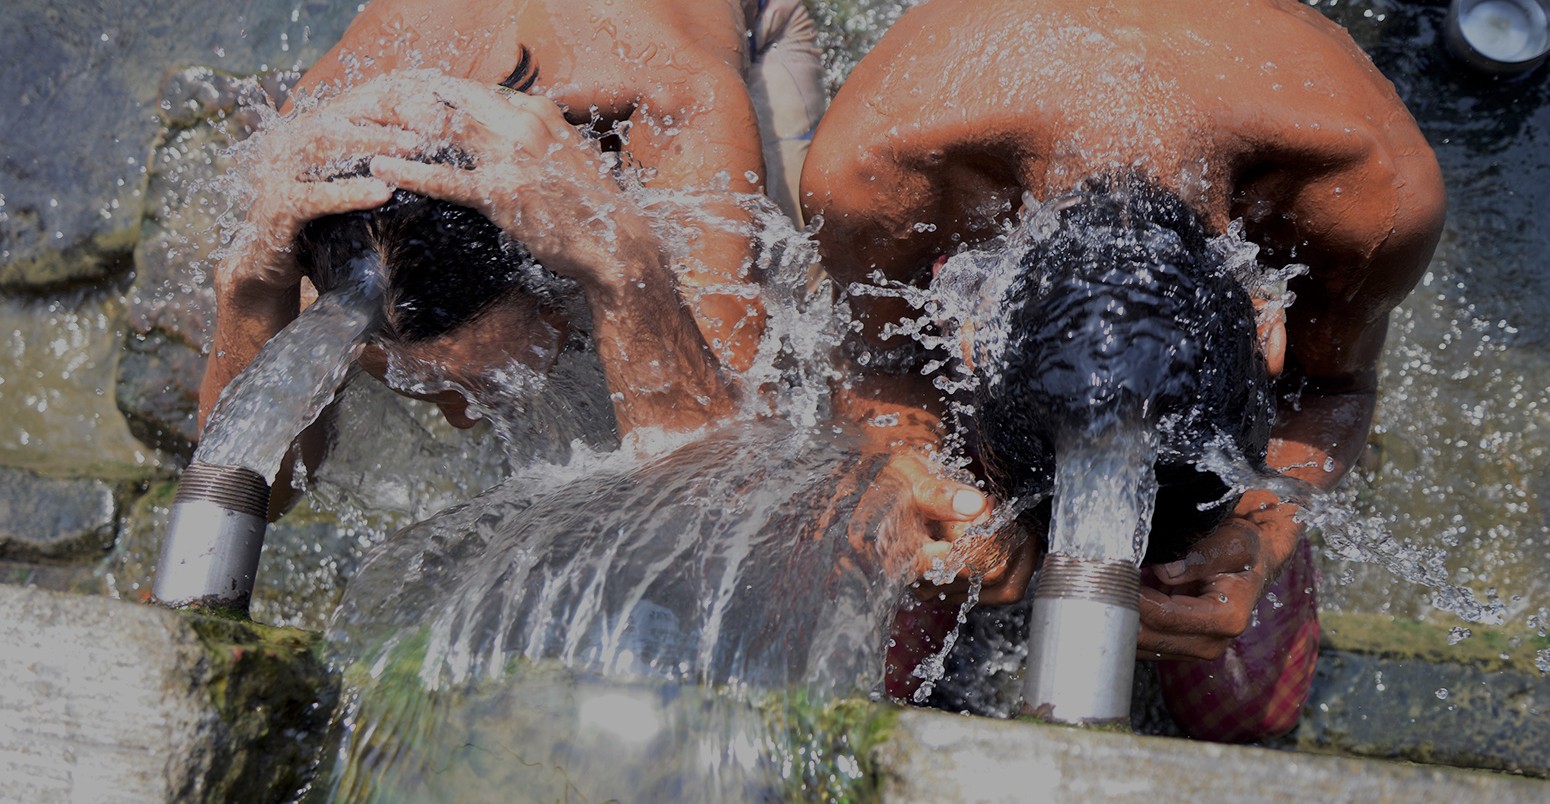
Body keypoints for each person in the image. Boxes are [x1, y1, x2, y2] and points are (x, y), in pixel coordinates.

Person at [801, 0, 1445, 741]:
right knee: (865, 665)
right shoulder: (882, 165)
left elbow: (1337, 384)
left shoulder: (1365, 189)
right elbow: (877, 367)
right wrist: (915, 472)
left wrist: (1265, 532)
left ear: (1270, 328)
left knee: (1242, 714)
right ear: (971, 335)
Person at [199, 0, 827, 515]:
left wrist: (619, 262)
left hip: (743, 32)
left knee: (803, 345)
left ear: (552, 257)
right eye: (435, 387)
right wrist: (246, 291)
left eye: (483, 385)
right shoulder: (323, 186)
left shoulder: (670, 106)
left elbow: (731, 491)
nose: (465, 422)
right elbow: (252, 501)